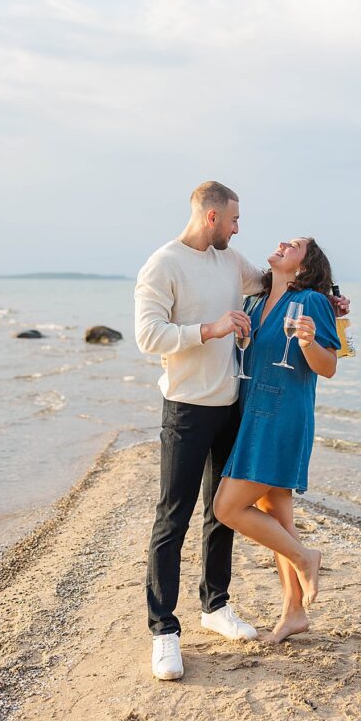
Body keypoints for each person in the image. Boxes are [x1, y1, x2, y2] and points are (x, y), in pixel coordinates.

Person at [134, 181, 264, 681]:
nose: (237, 228)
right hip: (186, 410)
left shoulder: (230, 261)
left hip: (230, 406)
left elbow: (270, 283)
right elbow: (148, 335)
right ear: (212, 218)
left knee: (223, 513)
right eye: (234, 219)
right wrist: (209, 329)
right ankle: (164, 632)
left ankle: (215, 606)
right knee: (173, 520)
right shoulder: (163, 265)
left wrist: (325, 297)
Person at [213, 237, 340, 644]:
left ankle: (306, 558)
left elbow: (330, 366)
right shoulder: (256, 300)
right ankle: (294, 613)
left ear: (305, 266)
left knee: (227, 507)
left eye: (297, 244)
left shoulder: (314, 302)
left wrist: (309, 344)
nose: (284, 243)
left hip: (283, 418)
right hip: (251, 414)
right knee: (279, 518)